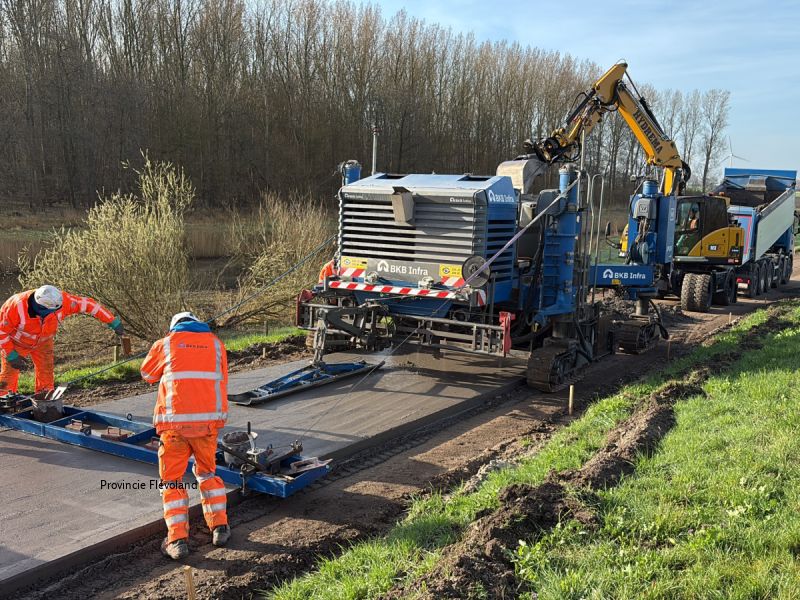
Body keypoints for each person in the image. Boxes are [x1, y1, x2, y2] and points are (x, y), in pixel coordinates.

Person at [140, 311, 230, 560]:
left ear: (174, 327)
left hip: (174, 428)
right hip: (207, 427)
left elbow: (147, 375)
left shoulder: (166, 344)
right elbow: (221, 377)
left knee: (172, 482)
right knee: (208, 474)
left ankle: (177, 541)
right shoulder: (216, 344)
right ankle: (220, 528)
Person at [0, 285, 124, 396]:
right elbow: (1, 331)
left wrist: (112, 320)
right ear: (41, 307)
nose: (54, 314)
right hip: (16, 343)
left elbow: (90, 305)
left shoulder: (64, 302)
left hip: (43, 341)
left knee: (46, 370)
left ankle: (45, 399)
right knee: (9, 375)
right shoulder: (15, 306)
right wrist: (11, 354)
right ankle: (5, 403)